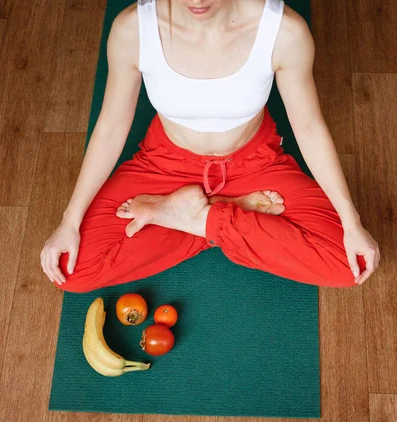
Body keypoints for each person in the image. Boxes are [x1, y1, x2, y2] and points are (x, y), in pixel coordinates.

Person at [40, 0, 380, 292]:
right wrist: (68, 222)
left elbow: (309, 127)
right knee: (72, 268)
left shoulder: (284, 31)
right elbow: (111, 127)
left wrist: (353, 223)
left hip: (257, 166)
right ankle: (227, 213)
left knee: (349, 261)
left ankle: (190, 216)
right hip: (162, 165)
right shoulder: (133, 29)